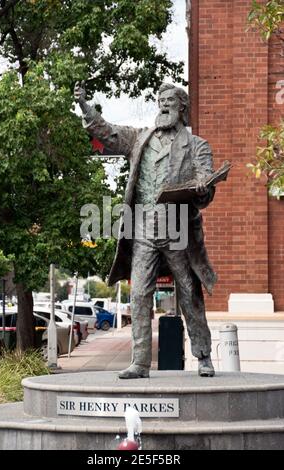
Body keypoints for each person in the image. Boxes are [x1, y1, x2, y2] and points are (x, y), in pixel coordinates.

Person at [74, 81, 217, 379]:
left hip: (177, 227)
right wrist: (86, 108)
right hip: (143, 229)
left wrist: (203, 188)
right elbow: (108, 132)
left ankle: (203, 355)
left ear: (182, 108)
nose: (163, 105)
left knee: (189, 291)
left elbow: (206, 187)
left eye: (169, 101)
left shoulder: (197, 146)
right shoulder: (140, 139)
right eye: (160, 101)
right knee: (139, 293)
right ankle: (139, 362)